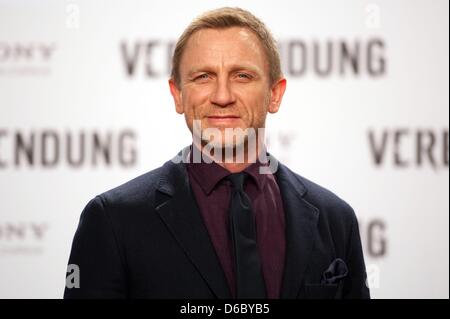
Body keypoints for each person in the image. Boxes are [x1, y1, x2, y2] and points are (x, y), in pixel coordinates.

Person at [64, 7, 370, 299]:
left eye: (242, 76)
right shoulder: (113, 220)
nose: (222, 97)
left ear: (275, 95)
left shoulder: (335, 219)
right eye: (203, 77)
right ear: (178, 95)